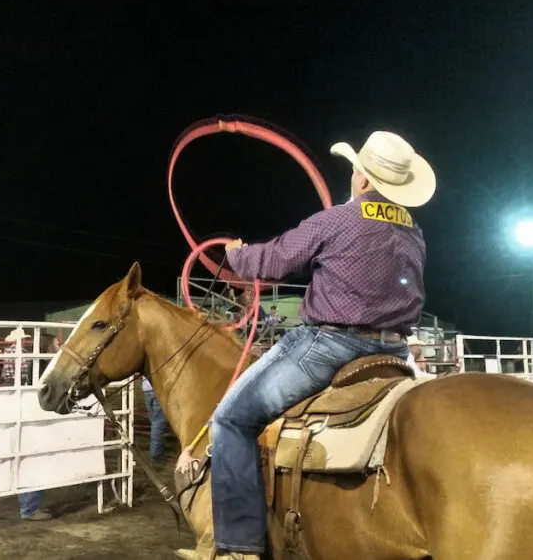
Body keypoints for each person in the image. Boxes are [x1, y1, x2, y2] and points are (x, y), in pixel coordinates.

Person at [185, 131, 435, 560]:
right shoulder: (414, 231)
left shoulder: (338, 219)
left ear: (361, 177)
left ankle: (238, 547)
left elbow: (275, 261)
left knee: (230, 421)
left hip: (331, 344)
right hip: (395, 353)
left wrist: (237, 254)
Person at [141, 376, 169, 461]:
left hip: (146, 388)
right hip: (157, 388)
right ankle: (156, 454)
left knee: (154, 421)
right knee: (158, 422)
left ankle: (158, 447)